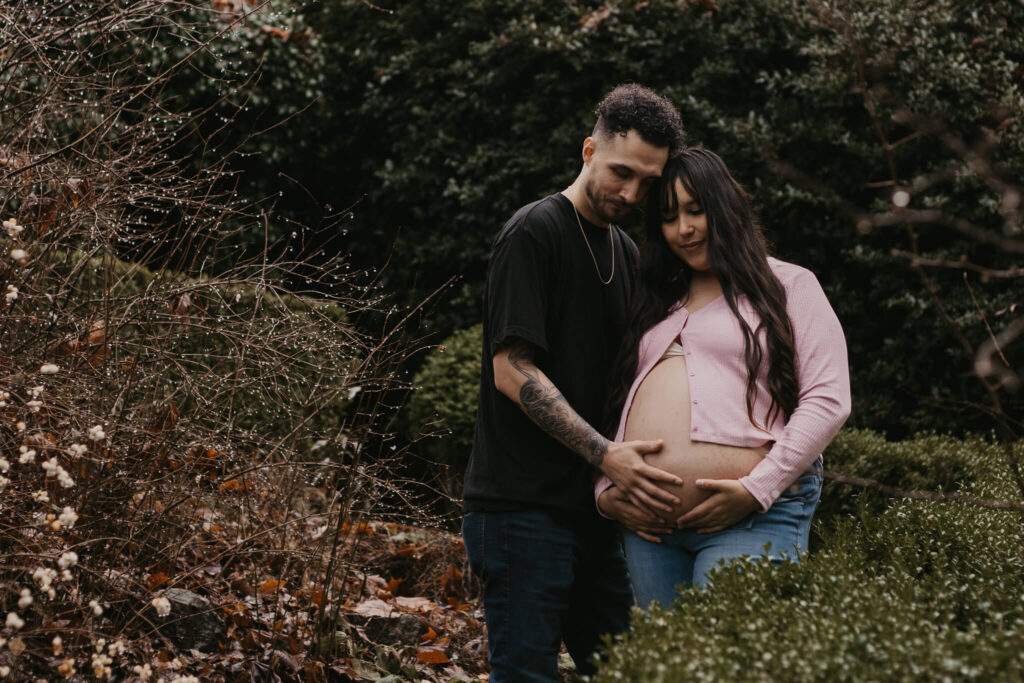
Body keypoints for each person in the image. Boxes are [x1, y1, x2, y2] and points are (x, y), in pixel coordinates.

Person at [461, 84, 685, 681]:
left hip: (592, 510)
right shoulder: (534, 232)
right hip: (520, 509)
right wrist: (606, 455)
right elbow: (512, 371)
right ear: (589, 150)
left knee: (625, 670)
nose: (632, 193)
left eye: (648, 182)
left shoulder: (628, 252)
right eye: (620, 172)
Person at [596, 148, 851, 608]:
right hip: (650, 532)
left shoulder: (789, 285)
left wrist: (758, 488)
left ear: (726, 206)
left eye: (697, 210)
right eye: (670, 217)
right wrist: (606, 493)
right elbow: (615, 401)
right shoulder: (653, 300)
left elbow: (829, 399)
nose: (685, 229)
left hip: (754, 519)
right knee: (666, 670)